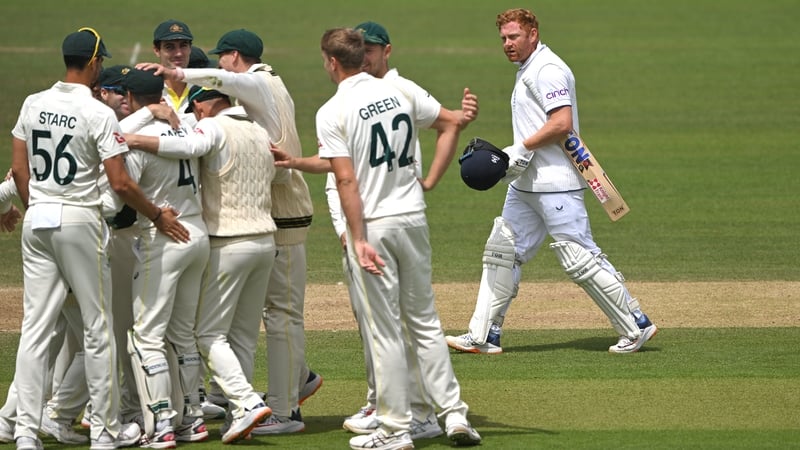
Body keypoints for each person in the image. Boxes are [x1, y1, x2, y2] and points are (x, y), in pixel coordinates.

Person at [9, 27, 187, 450]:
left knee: (34, 330)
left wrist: (41, 204)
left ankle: (23, 434)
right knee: (99, 330)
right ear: (92, 63)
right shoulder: (97, 113)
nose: (102, 68)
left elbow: (19, 172)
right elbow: (121, 184)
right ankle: (105, 434)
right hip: (81, 220)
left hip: (38, 219)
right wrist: (157, 214)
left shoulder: (33, 103)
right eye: (101, 62)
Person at [138, 28, 322, 435]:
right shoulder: (259, 99)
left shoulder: (257, 81)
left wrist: (181, 77)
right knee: (252, 320)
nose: (218, 66)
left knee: (279, 317)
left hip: (278, 215)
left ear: (235, 56)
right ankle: (268, 390)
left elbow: (229, 85)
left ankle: (283, 409)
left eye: (221, 58)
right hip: (267, 219)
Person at [445, 8, 658, 355]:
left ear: (533, 33)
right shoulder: (527, 69)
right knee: (502, 253)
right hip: (525, 184)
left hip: (557, 183)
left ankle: (636, 325)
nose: (508, 44)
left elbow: (562, 123)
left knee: (580, 257)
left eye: (514, 37)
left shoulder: (548, 69)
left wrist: (521, 148)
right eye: (503, 38)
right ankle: (484, 335)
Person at [316, 27, 481, 449]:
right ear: (363, 57)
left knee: (385, 332)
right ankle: (453, 416)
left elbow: (346, 179)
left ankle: (394, 429)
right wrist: (429, 181)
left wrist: (357, 237)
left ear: (333, 62)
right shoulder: (400, 92)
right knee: (425, 324)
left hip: (376, 226)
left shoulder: (332, 110)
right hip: (413, 219)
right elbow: (451, 124)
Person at [123, 85, 281, 444]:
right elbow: (281, 174)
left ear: (201, 105)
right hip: (258, 239)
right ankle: (194, 417)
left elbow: (186, 148)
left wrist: (131, 136)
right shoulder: (257, 129)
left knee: (168, 335)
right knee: (215, 335)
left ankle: (177, 418)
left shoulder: (206, 129)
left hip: (211, 239)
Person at [118, 67, 209, 448]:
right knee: (183, 334)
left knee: (144, 338)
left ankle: (162, 424)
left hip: (164, 236)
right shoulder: (185, 129)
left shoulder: (137, 142)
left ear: (131, 98)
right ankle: (194, 419)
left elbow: (121, 195)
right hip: (197, 232)